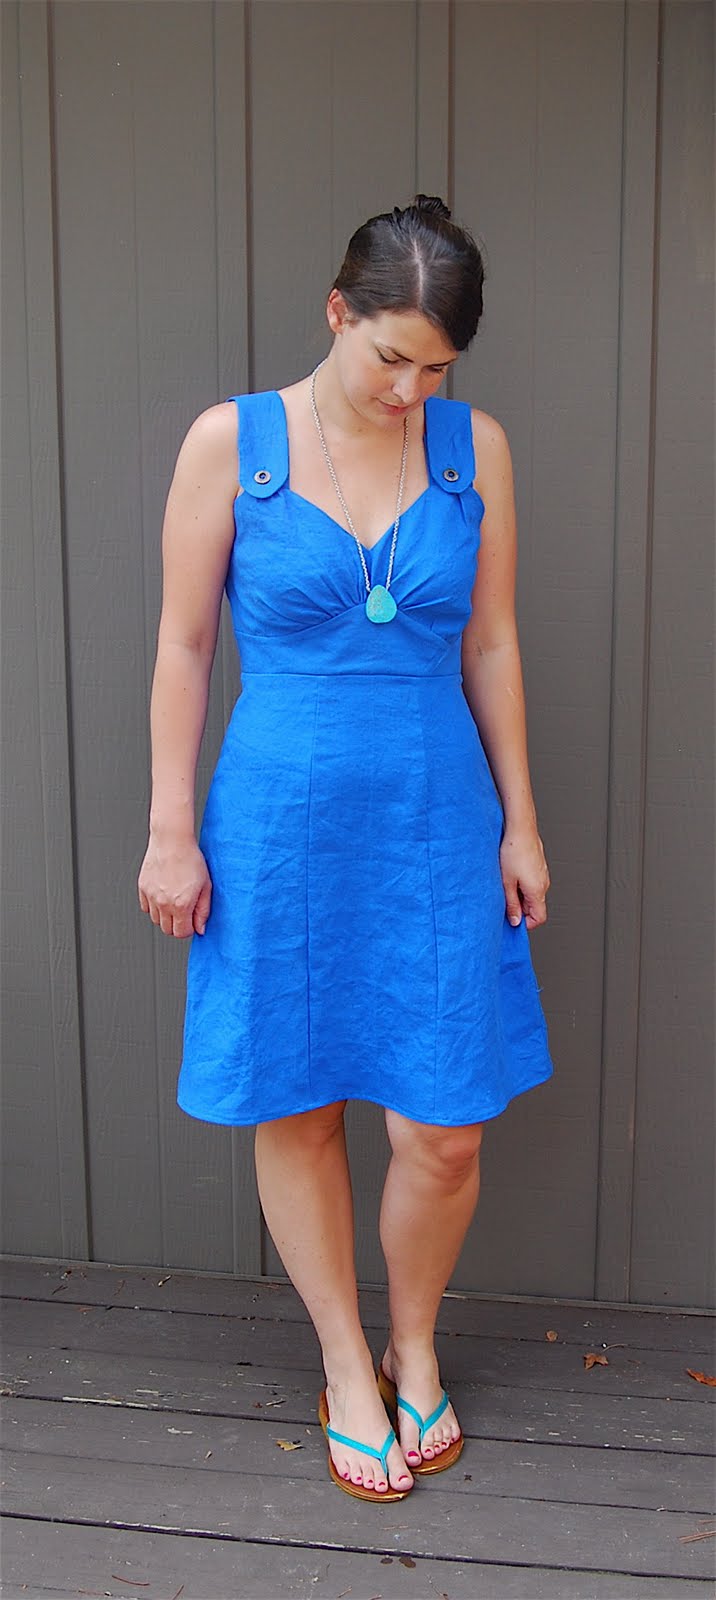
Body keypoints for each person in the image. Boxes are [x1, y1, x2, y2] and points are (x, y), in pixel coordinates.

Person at [137, 194, 554, 1504]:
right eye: (392, 356)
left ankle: (414, 1341)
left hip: (436, 823)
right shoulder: (233, 443)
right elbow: (184, 647)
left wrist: (523, 819)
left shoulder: (474, 450)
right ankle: (345, 1364)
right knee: (300, 1100)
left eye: (437, 367)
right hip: (277, 826)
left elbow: (491, 640)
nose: (410, 389)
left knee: (445, 1130)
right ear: (337, 312)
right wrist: (168, 830)